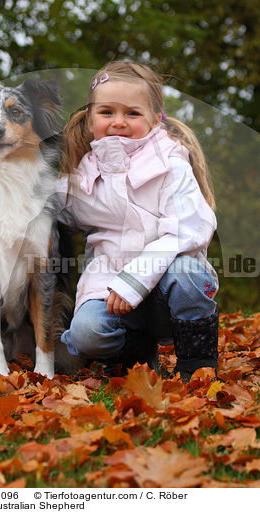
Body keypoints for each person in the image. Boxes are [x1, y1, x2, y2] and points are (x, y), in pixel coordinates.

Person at [57, 61, 219, 381]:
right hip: (108, 289)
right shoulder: (82, 174)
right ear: (90, 119)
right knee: (86, 333)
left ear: (155, 118)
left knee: (187, 272)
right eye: (106, 112)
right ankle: (138, 351)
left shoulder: (170, 162)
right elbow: (51, 211)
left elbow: (189, 229)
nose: (118, 121)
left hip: (166, 289)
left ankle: (197, 368)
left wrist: (136, 279)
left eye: (132, 113)